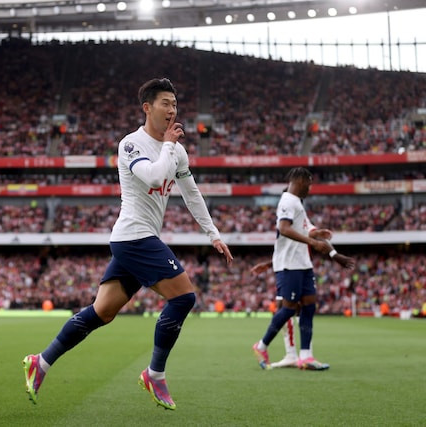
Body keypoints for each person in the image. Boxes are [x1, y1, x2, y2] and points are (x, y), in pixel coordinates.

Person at [22, 78, 233, 410]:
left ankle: (42, 361)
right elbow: (154, 177)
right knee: (184, 297)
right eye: (166, 103)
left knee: (101, 312)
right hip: (134, 236)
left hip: (138, 239)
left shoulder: (176, 150)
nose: (173, 110)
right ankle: (155, 374)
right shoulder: (131, 144)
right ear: (147, 108)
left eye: (175, 104)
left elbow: (191, 194)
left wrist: (214, 234)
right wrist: (166, 144)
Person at [251, 167, 354, 371]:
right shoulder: (288, 201)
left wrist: (332, 253)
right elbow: (284, 229)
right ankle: (261, 345)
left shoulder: (297, 203)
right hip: (289, 264)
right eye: (310, 182)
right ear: (301, 180)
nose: (311, 187)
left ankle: (305, 356)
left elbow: (310, 230)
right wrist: (313, 242)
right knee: (289, 308)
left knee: (309, 305)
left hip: (302, 263)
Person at [250, 244, 355, 368]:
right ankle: (290, 354)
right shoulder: (289, 227)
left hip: (300, 267)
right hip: (287, 269)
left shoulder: (300, 228)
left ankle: (303, 355)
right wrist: (333, 254)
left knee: (303, 307)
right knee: (287, 307)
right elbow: (290, 244)